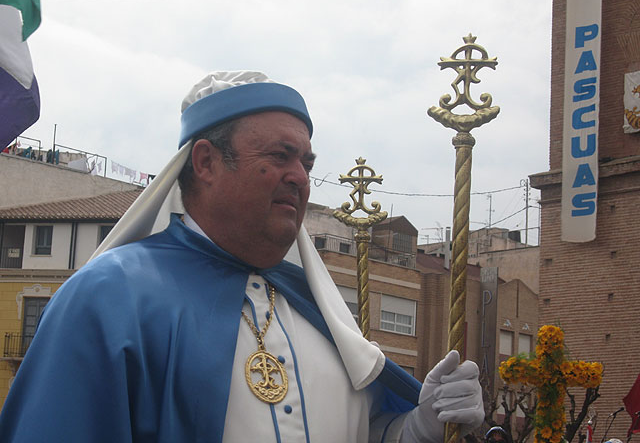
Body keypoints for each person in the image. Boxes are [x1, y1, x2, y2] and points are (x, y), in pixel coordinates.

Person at [0, 71, 484, 442]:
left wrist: (419, 425)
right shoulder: (109, 297)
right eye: (279, 156)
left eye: (306, 162)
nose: (299, 176)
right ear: (206, 162)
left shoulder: (318, 310)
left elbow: (367, 430)